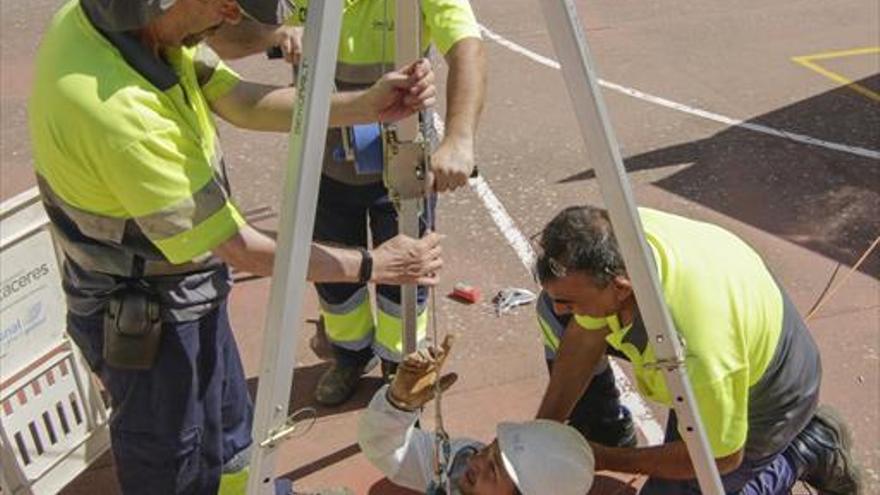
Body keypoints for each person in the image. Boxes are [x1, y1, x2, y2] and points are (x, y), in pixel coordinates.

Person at [27, 0, 440, 493]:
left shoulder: (134, 26)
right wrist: (374, 264)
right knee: (172, 459)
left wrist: (364, 105)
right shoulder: (121, 114)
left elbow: (239, 99)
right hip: (146, 314)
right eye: (225, 5)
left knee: (228, 434)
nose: (230, 20)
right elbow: (240, 247)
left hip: (186, 284)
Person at [220, 0, 488, 407]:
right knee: (333, 272)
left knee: (406, 274)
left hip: (401, 163)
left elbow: (468, 47)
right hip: (325, 163)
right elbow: (220, 32)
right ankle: (350, 355)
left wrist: (459, 139)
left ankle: (401, 364)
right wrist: (274, 35)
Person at [532, 205, 862, 494]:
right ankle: (606, 426)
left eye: (570, 301)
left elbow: (720, 458)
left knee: (701, 482)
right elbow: (582, 340)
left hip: (769, 393)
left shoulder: (699, 352)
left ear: (621, 289)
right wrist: (539, 436)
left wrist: (607, 459)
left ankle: (808, 447)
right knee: (552, 313)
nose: (563, 308)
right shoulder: (611, 246)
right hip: (723, 337)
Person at [358, 336, 595, 495]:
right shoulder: (463, 464)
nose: (475, 461)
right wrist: (398, 405)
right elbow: (390, 452)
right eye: (488, 449)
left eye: (493, 471)